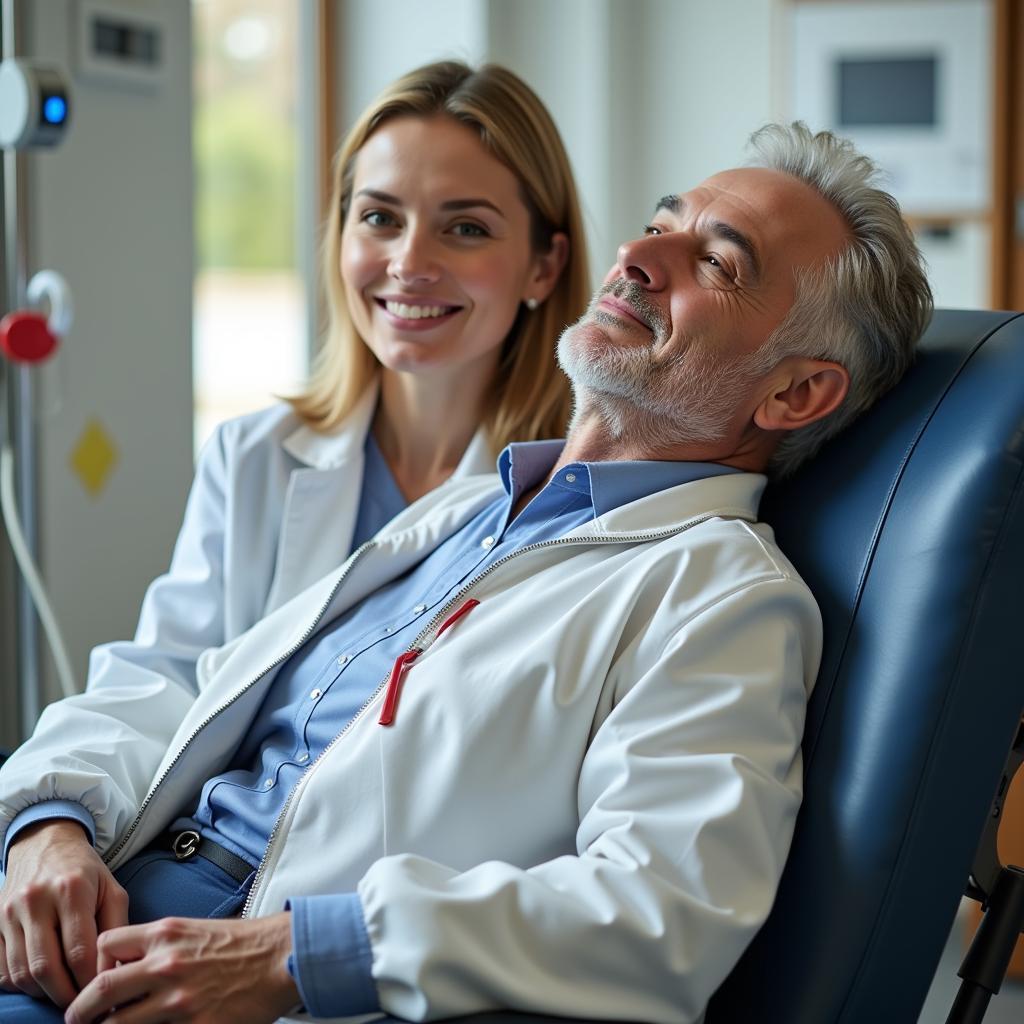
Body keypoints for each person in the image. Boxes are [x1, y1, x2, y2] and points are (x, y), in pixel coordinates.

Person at [0, 122, 932, 1024]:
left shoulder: (725, 595)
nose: (644, 255)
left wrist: (298, 955)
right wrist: (47, 822)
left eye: (718, 263)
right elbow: (195, 686)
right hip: (114, 896)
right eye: (661, 219)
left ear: (795, 392)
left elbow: (663, 908)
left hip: (230, 955)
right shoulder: (477, 506)